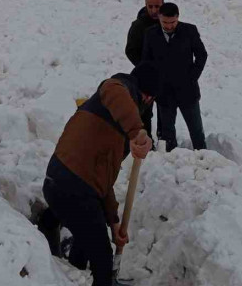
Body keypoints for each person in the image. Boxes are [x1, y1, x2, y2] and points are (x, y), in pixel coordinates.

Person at [36, 63, 158, 286]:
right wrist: (138, 131)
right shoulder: (116, 90)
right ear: (147, 98)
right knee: (102, 257)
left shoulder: (114, 126)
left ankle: (72, 270)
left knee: (92, 226)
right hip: (73, 189)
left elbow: (104, 182)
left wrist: (113, 222)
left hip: (62, 185)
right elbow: (115, 90)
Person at [141, 3, 208, 152]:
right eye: (165, 22)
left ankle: (204, 159)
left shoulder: (189, 30)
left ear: (178, 17)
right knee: (167, 133)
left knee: (196, 131)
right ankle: (171, 161)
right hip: (164, 93)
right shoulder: (150, 34)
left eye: (173, 22)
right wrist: (151, 86)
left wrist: (192, 77)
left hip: (187, 91)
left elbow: (202, 55)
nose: (169, 26)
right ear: (159, 17)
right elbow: (146, 62)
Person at [125, 0, 164, 143]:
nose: (154, 10)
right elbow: (130, 50)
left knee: (165, 110)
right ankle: (146, 142)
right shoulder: (138, 26)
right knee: (145, 113)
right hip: (145, 78)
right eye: (150, 6)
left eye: (157, 6)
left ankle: (165, 140)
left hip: (166, 76)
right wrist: (145, 68)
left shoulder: (168, 21)